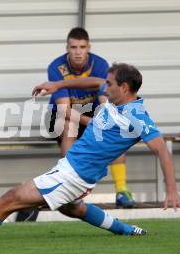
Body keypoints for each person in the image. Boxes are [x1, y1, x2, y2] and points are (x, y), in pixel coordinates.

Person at [0, 63, 180, 242]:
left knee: (10, 199)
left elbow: (162, 150)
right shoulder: (115, 104)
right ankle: (126, 230)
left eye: (110, 83)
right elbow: (94, 85)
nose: (104, 87)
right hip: (72, 170)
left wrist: (172, 190)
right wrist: (59, 86)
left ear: (125, 88)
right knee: (73, 209)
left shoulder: (138, 117)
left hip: (74, 175)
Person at [47, 27, 135, 208]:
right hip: (62, 115)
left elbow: (105, 99)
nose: (78, 52)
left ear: (89, 48)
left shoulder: (101, 65)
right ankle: (69, 191)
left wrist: (106, 120)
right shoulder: (56, 67)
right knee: (68, 126)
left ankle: (121, 191)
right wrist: (91, 123)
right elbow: (65, 109)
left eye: (82, 47)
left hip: (90, 113)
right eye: (73, 47)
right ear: (67, 48)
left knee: (115, 129)